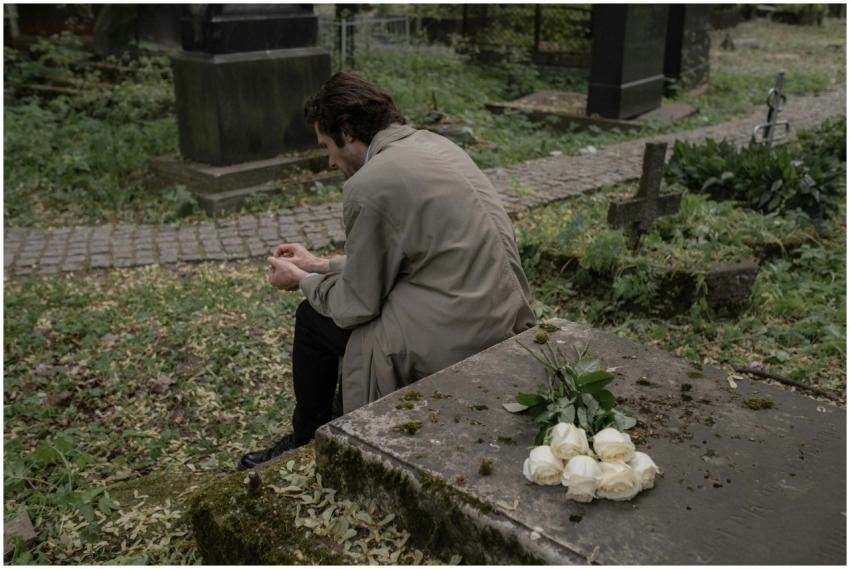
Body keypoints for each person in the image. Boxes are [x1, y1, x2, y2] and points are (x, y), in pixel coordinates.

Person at [238, 73, 535, 470]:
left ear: (345, 131)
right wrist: (320, 265)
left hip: (459, 333)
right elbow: (416, 255)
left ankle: (308, 438)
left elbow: (355, 304)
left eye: (326, 145)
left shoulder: (369, 183)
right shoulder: (433, 144)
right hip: (499, 312)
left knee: (313, 318)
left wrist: (301, 281)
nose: (329, 160)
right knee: (334, 303)